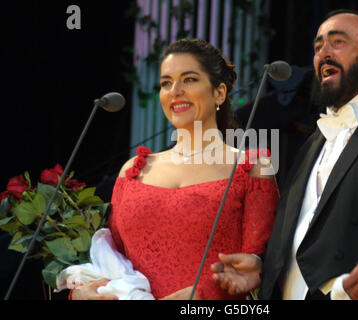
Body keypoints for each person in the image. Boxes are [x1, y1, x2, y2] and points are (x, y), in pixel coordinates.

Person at [211, 9, 358, 300]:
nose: (323, 52)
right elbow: (308, 237)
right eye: (317, 46)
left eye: (337, 42)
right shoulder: (315, 141)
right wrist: (265, 271)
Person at [70, 39, 280, 300]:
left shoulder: (252, 167)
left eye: (189, 79)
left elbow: (263, 269)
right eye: (166, 83)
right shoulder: (133, 171)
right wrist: (82, 293)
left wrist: (202, 295)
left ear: (219, 93)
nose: (175, 90)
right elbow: (112, 263)